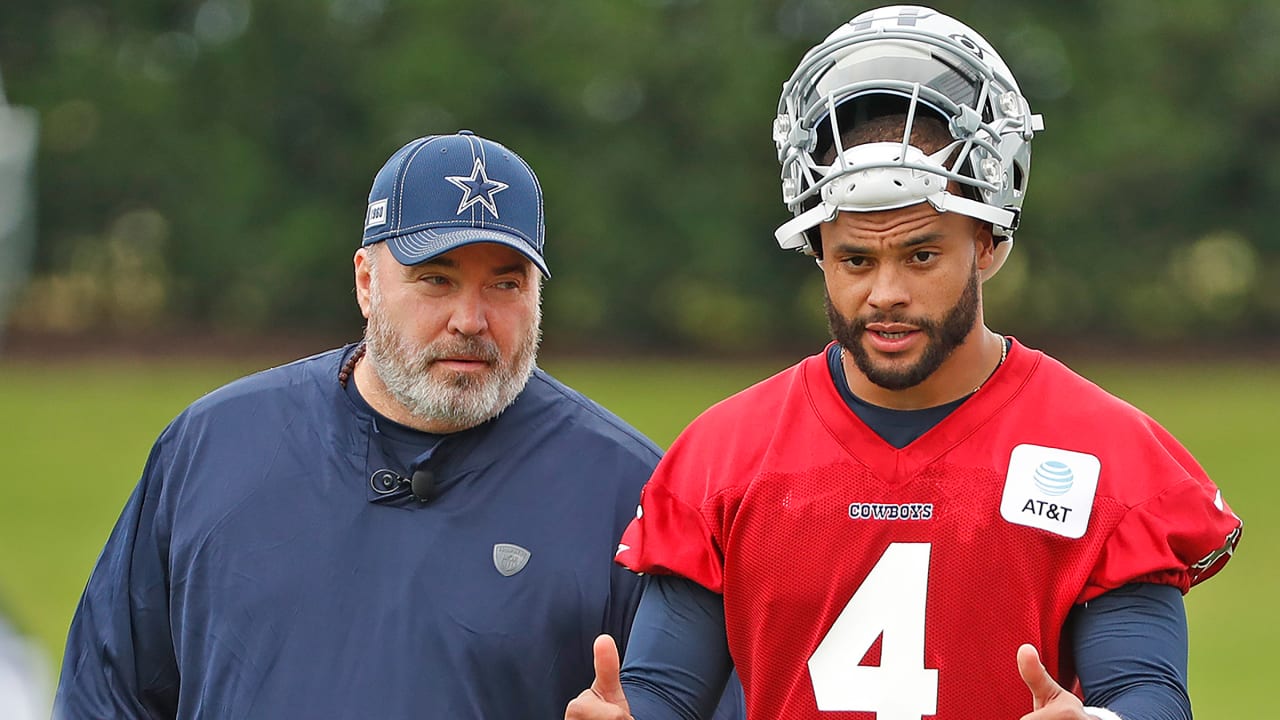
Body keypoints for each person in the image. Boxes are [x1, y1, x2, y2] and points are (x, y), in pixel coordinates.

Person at [566, 6, 1242, 720]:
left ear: (987, 241)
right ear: (816, 251)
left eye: (922, 254)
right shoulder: (727, 455)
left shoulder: (1102, 449)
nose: (885, 294)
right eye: (856, 258)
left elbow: (1145, 688)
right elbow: (666, 690)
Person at [54, 130, 744, 719]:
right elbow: (107, 690)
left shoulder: (629, 493)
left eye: (506, 284)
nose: (470, 320)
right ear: (365, 280)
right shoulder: (211, 448)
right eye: (436, 280)